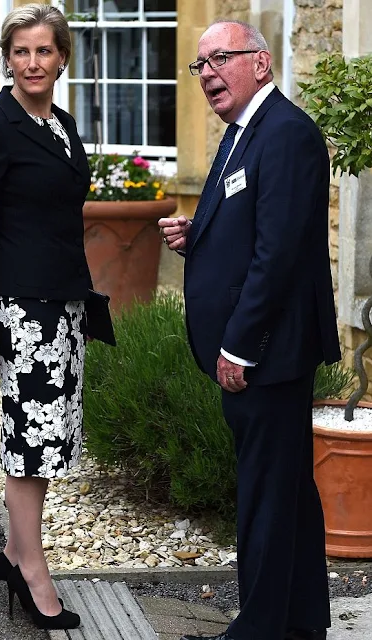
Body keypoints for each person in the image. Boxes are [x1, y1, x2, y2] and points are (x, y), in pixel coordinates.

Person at [159, 20, 341, 640]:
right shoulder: (243, 133)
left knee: (265, 501)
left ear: (260, 63)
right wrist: (197, 236)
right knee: (286, 494)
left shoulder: (286, 134)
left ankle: (259, 630)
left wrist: (240, 344)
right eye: (199, 64)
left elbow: (280, 254)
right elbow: (249, 229)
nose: (207, 73)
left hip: (267, 355)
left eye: (220, 59)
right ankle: (300, 625)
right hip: (255, 351)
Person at [0, 3, 94, 630]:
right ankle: (31, 571)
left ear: (62, 57)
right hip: (20, 310)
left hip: (64, 305)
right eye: (21, 52)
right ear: (7, 58)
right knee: (29, 445)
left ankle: (13, 554)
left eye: (44, 51)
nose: (32, 62)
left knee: (50, 440)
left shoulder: (64, 125)